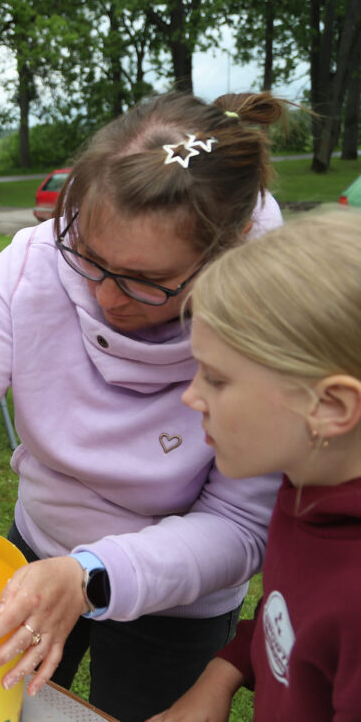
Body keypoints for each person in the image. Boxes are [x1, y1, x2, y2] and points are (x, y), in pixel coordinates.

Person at [0, 91, 289, 722]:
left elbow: (239, 524)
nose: (105, 296)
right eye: (89, 259)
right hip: (40, 548)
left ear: (226, 246)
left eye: (146, 280)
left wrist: (92, 574)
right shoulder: (35, 264)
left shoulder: (270, 321)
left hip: (180, 595)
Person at [147, 207, 361, 722]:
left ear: (329, 407)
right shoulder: (308, 485)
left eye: (217, 379)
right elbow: (290, 611)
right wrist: (224, 673)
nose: (191, 398)